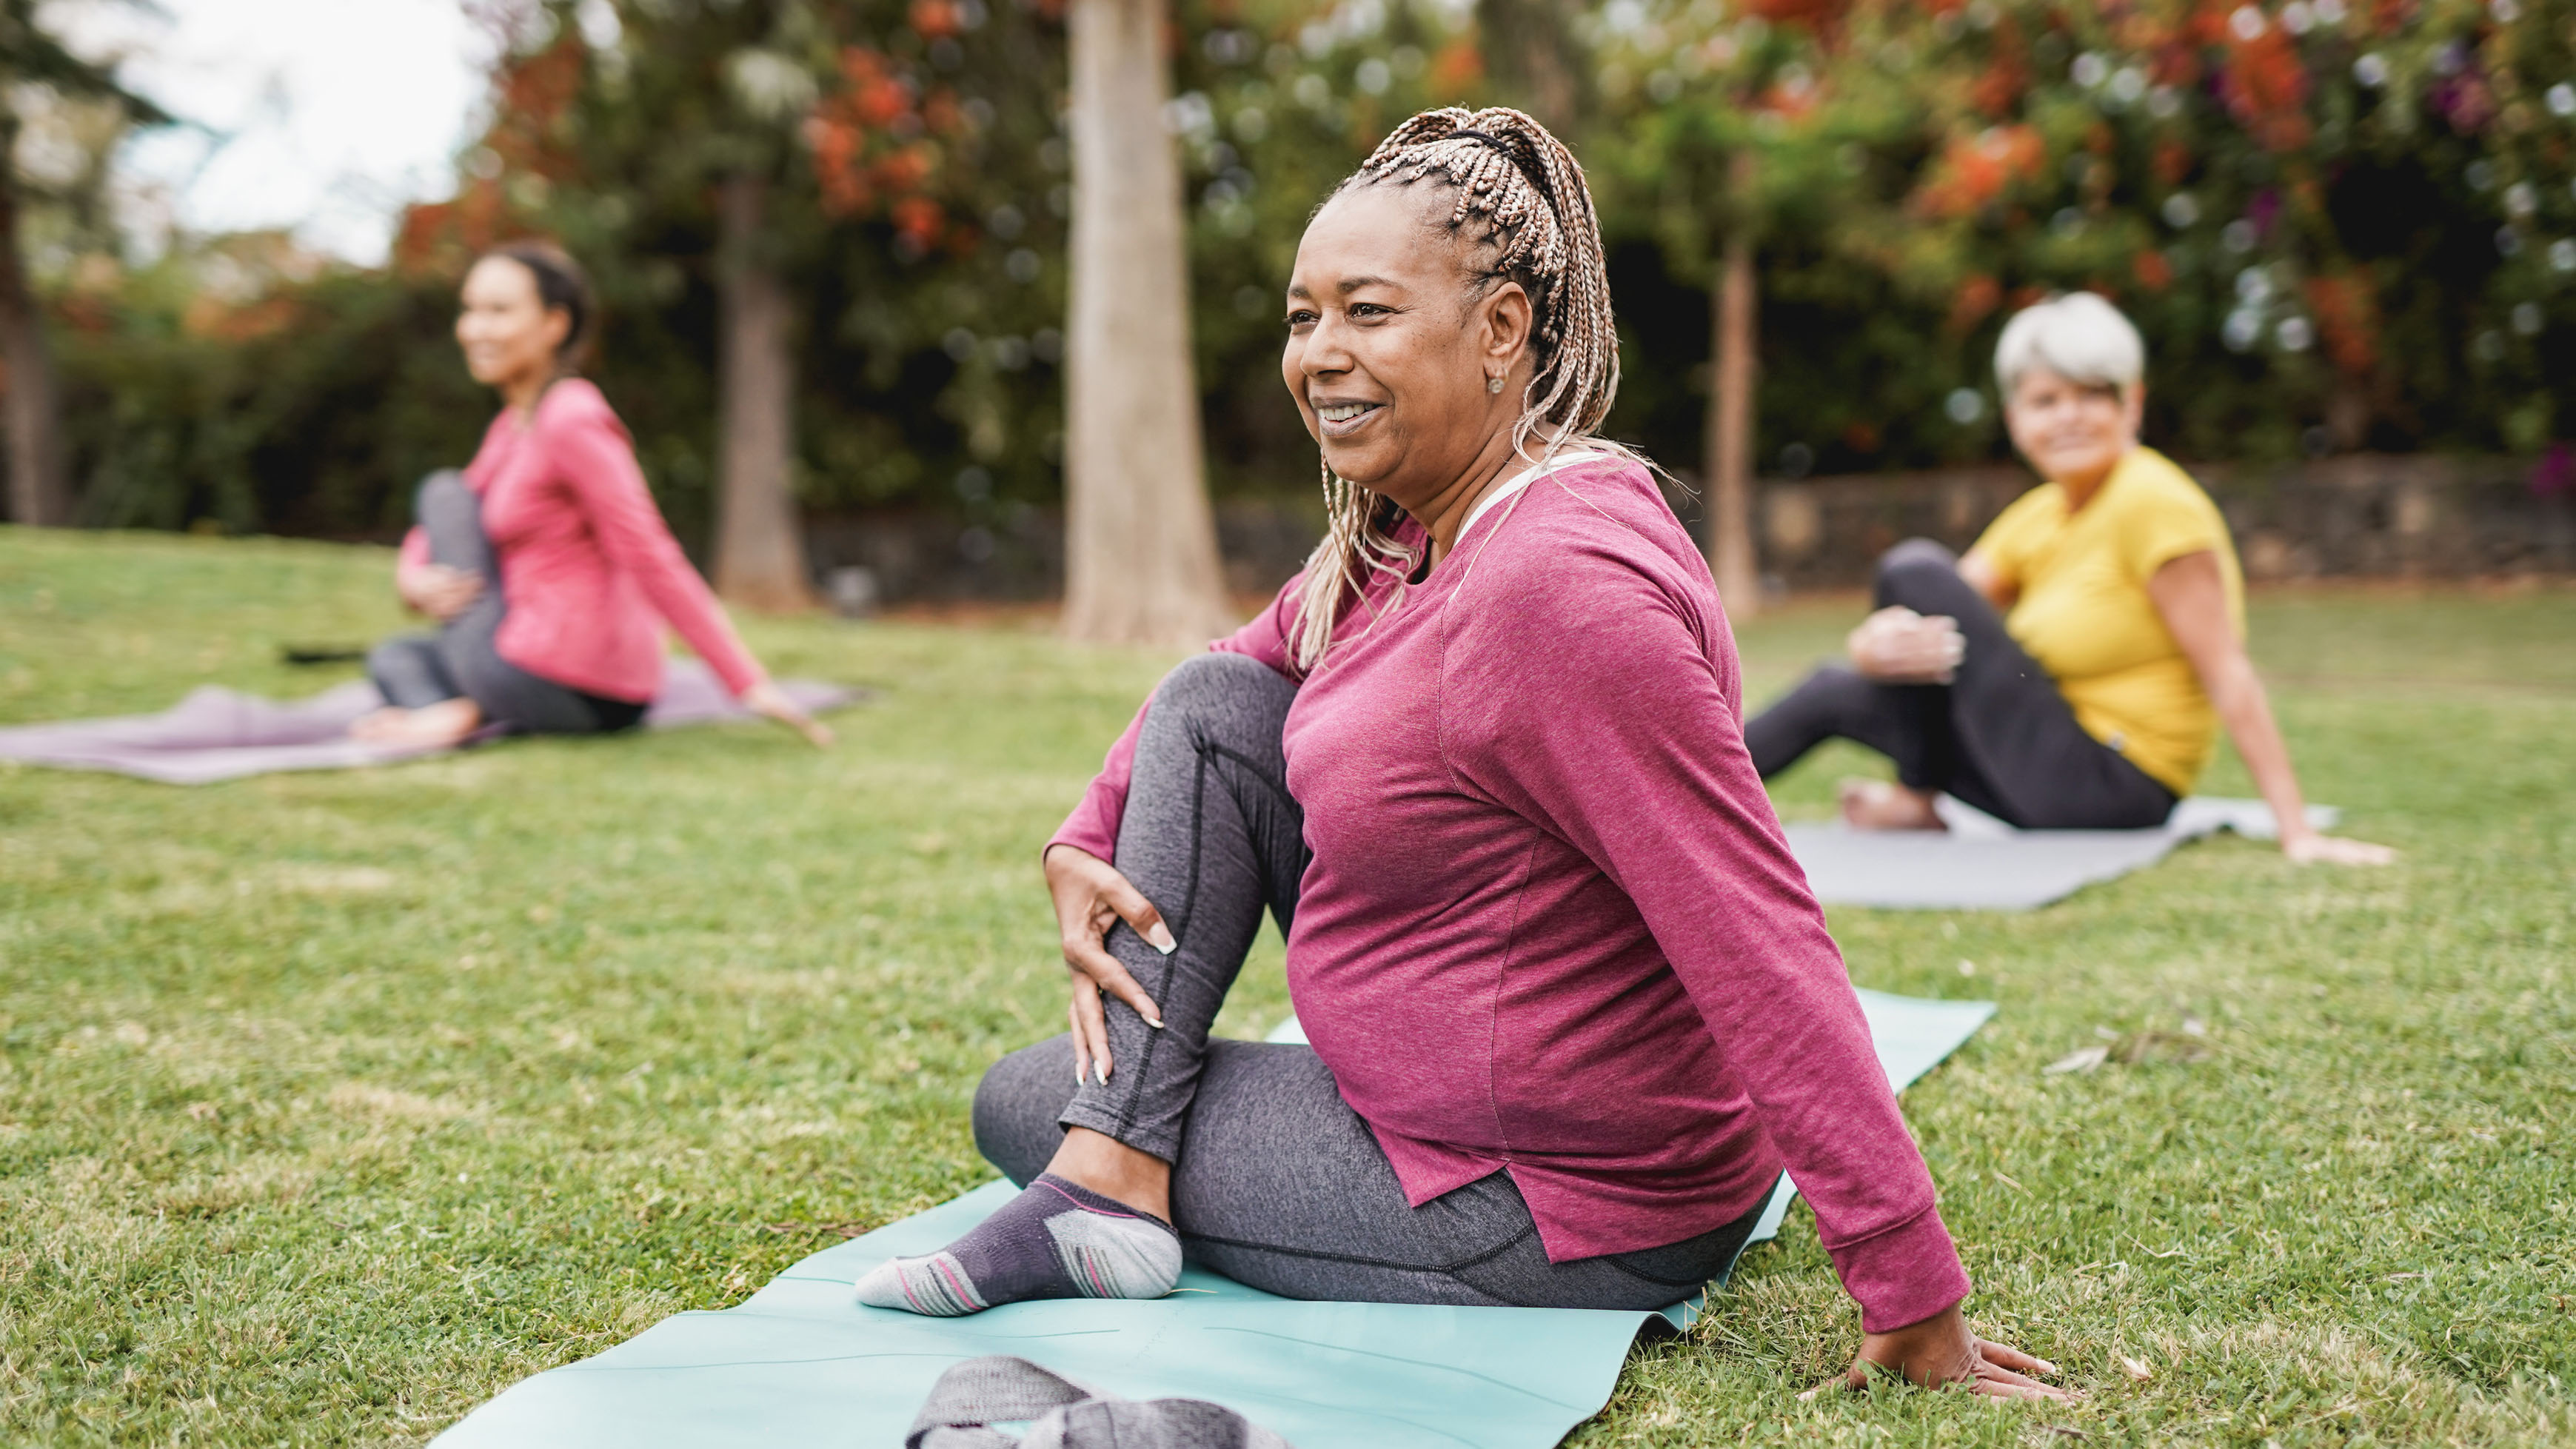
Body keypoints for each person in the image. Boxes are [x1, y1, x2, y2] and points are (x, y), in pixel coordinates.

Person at [856, 108, 2067, 1402]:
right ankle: (1111, 1174)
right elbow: (1231, 670)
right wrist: (1081, 833)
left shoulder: (1556, 588)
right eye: (1299, 316)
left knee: (1021, 1096)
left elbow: (1751, 928)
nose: (1319, 353)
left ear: (1499, 331)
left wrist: (1910, 1290)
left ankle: (1106, 1174)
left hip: (1545, 1198)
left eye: (1366, 312)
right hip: (1457, 1114)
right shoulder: (1408, 531)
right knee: (1213, 708)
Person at [1744, 292, 2391, 863]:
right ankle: (1665, 818)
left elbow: (2226, 668)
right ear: (2015, 418)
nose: (2068, 417)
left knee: (1910, 564)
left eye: (2091, 395)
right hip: (2036, 765)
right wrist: (1871, 646)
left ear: (2131, 402)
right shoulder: (2042, 514)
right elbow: (1935, 612)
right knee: (1835, 686)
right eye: (2046, 400)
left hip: (2113, 781)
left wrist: (2296, 832)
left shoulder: (2153, 501)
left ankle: (1915, 798)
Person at [353, 241, 829, 750]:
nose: (474, 328)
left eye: (498, 310)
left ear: (554, 324)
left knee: (442, 490)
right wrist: (412, 579)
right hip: (539, 670)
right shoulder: (513, 427)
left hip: (565, 678)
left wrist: (746, 681)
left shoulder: (570, 417)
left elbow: (649, 551)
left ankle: (463, 708)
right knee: (394, 656)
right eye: (470, 310)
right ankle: (462, 709)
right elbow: (444, 523)